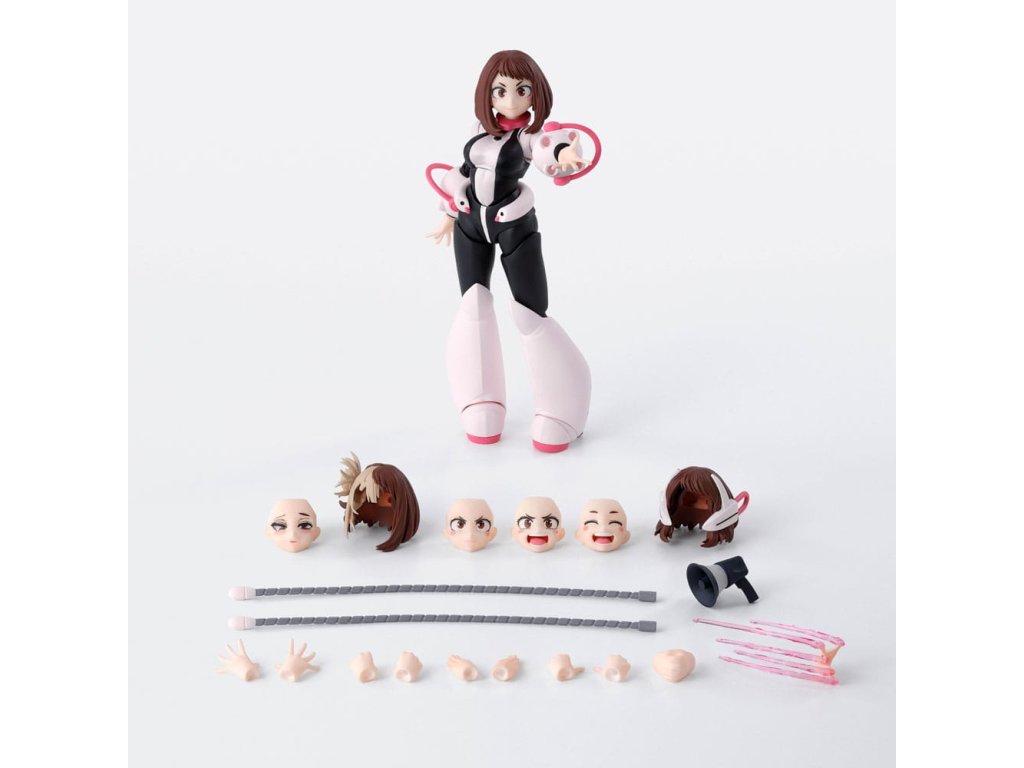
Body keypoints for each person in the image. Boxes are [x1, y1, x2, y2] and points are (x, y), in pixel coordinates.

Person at [428, 50, 595, 452]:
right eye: (499, 90)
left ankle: (562, 410)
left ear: (535, 94)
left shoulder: (529, 138)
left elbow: (551, 148)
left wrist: (568, 155)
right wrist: (449, 213)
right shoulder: (478, 131)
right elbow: (464, 173)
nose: (510, 99)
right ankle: (479, 401)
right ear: (487, 94)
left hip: (514, 225)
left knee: (530, 312)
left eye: (522, 90)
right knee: (473, 303)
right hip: (470, 223)